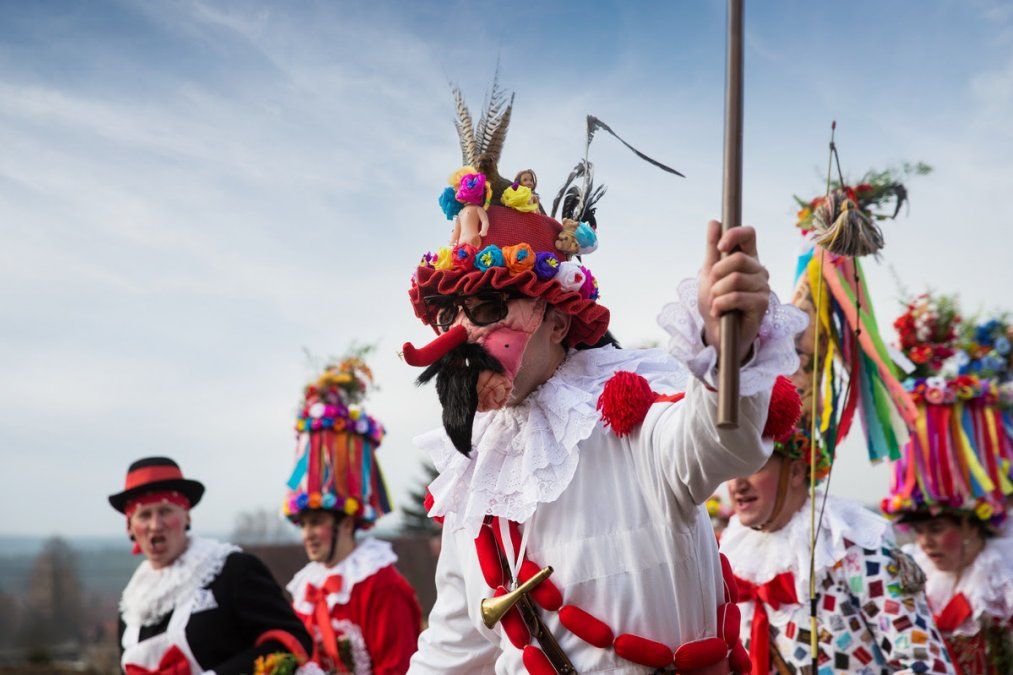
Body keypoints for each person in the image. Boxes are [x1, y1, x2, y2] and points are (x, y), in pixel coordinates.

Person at [402, 84, 808, 674]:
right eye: (447, 316)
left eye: (488, 311)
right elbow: (452, 651)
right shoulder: (472, 481)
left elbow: (722, 440)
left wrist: (728, 347)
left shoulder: (633, 420)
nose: (459, 335)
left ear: (559, 321)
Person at [721, 379, 955, 674]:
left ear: (796, 471)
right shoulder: (731, 558)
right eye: (731, 468)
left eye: (754, 467)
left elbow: (927, 665)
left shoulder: (854, 548)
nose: (737, 485)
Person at [883, 303, 1013, 674]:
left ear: (971, 525)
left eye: (937, 529)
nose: (925, 543)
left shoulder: (1001, 584)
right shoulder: (918, 576)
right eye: (921, 532)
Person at [282, 357, 422, 674]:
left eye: (316, 523)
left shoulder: (381, 585)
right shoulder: (306, 588)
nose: (307, 534)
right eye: (303, 524)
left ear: (346, 521)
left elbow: (399, 667)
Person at [111, 456, 312, 674]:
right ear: (130, 528)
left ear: (187, 516)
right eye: (144, 515)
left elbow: (292, 644)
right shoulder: (132, 605)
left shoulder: (232, 570)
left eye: (166, 511)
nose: (155, 525)